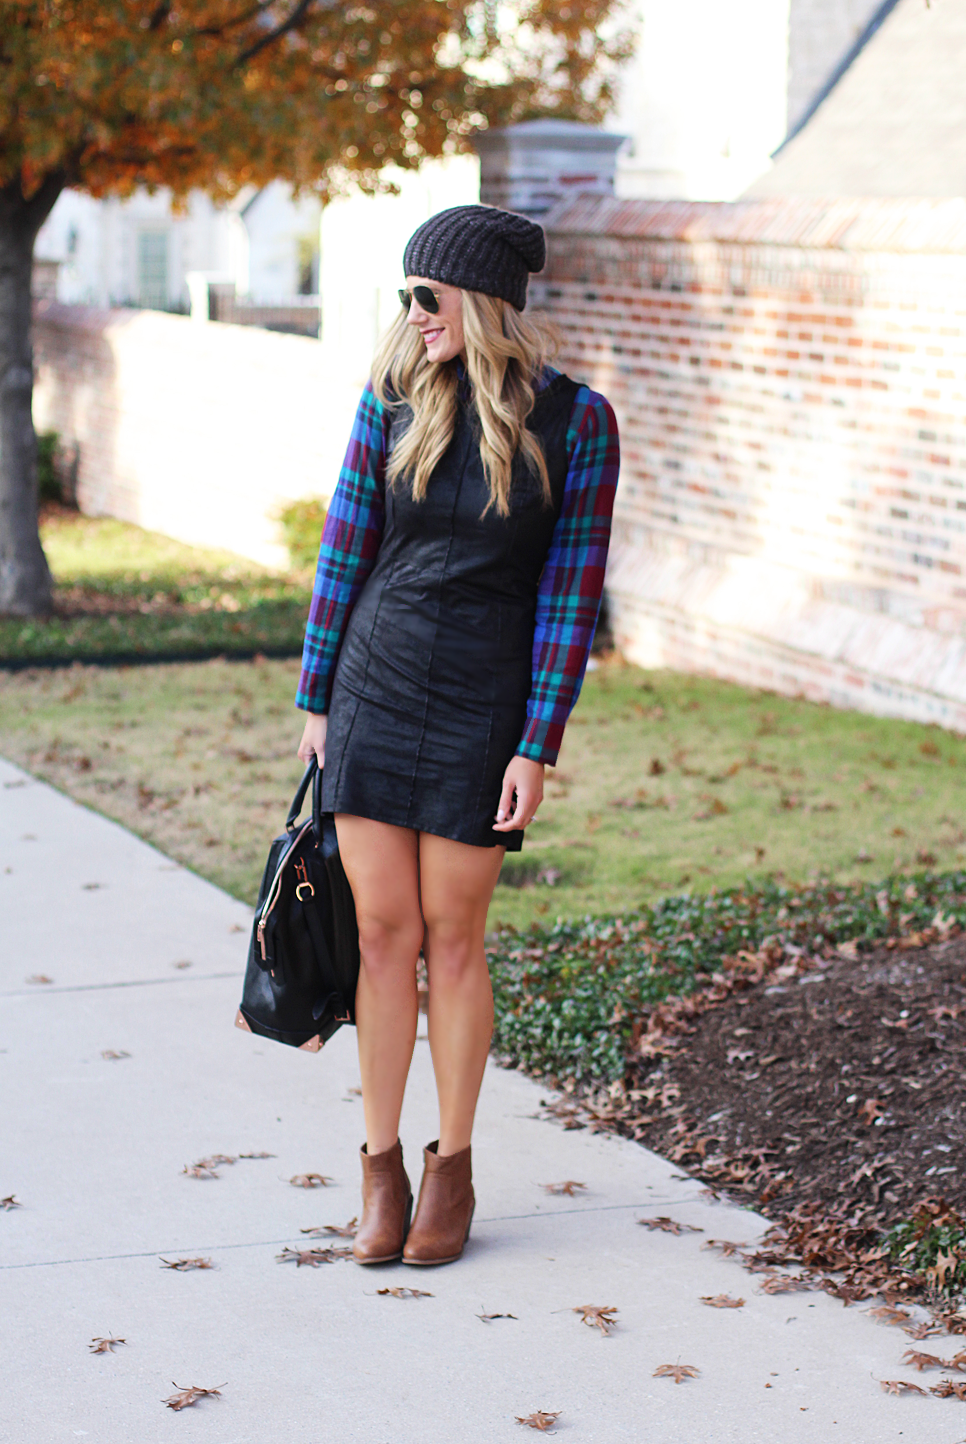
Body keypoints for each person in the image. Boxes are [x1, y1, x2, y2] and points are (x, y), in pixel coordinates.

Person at [296, 203, 619, 1267]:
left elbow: (571, 598)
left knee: (454, 938)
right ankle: (379, 1170)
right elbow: (343, 547)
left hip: (484, 705)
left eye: (426, 294)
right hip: (374, 688)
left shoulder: (577, 422)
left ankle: (454, 1168)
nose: (412, 313)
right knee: (382, 934)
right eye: (406, 295)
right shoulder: (391, 396)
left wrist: (538, 742)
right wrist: (316, 699)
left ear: (478, 300)